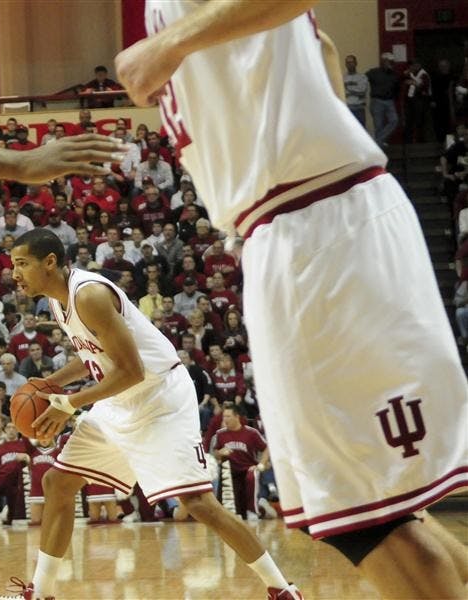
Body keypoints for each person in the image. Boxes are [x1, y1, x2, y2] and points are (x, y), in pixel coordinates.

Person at [115, 3, 468, 598]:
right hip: (307, 222)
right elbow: (321, 46)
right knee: (380, 510)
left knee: (366, 519)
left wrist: (169, 44)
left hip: (313, 222)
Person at [0, 229, 298, 600]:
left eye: (22, 264)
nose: (14, 274)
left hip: (159, 398)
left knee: (198, 503)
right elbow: (94, 356)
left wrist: (71, 403)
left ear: (50, 262)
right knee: (58, 483)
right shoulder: (57, 302)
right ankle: (40, 593)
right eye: (12, 265)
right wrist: (51, 383)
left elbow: (132, 370)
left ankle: (283, 591)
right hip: (120, 401)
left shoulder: (89, 295)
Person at [211, 405, 271, 521]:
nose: (225, 419)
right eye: (224, 417)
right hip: (230, 473)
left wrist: (262, 464)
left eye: (228, 416)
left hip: (248, 469)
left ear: (237, 417)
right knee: (234, 513)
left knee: (251, 475)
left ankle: (253, 511)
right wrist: (220, 452)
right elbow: (215, 453)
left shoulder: (251, 433)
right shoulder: (220, 434)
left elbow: (266, 448)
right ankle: (262, 507)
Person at [366, 52, 400, 146]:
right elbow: (363, 80)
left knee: (394, 120)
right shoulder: (373, 72)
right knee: (378, 125)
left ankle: (378, 141)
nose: (389, 63)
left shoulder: (394, 74)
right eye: (388, 61)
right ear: (383, 61)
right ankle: (379, 143)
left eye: (391, 62)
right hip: (377, 100)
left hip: (389, 101)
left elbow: (397, 88)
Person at [343, 55, 369, 127]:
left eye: (351, 62)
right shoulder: (342, 78)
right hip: (347, 109)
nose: (349, 64)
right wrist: (355, 89)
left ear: (356, 63)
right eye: (347, 62)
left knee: (361, 131)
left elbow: (362, 92)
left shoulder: (362, 77)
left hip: (359, 109)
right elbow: (341, 93)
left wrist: (347, 89)